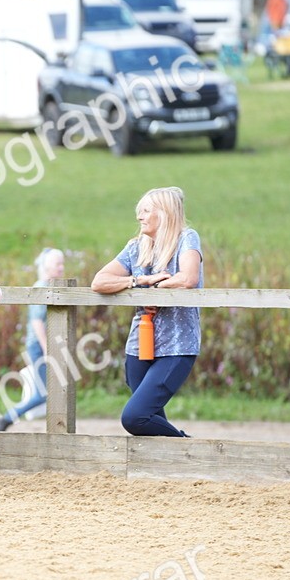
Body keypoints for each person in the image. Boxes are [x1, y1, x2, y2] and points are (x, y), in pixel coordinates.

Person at [91, 187, 203, 438]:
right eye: (139, 211)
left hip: (177, 345)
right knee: (150, 420)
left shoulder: (187, 238)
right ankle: (177, 464)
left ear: (164, 213)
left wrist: (156, 287)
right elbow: (99, 282)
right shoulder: (135, 248)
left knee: (135, 417)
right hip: (139, 346)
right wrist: (138, 282)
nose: (139, 217)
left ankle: (185, 445)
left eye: (146, 210)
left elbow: (188, 278)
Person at [0, 248, 65, 431]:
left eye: (63, 264)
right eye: (58, 264)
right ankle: (5, 420)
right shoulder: (42, 287)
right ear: (47, 266)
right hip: (39, 346)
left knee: (54, 389)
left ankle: (7, 420)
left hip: (43, 345)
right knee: (43, 393)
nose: (62, 268)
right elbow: (36, 321)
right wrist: (47, 347)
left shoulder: (51, 286)